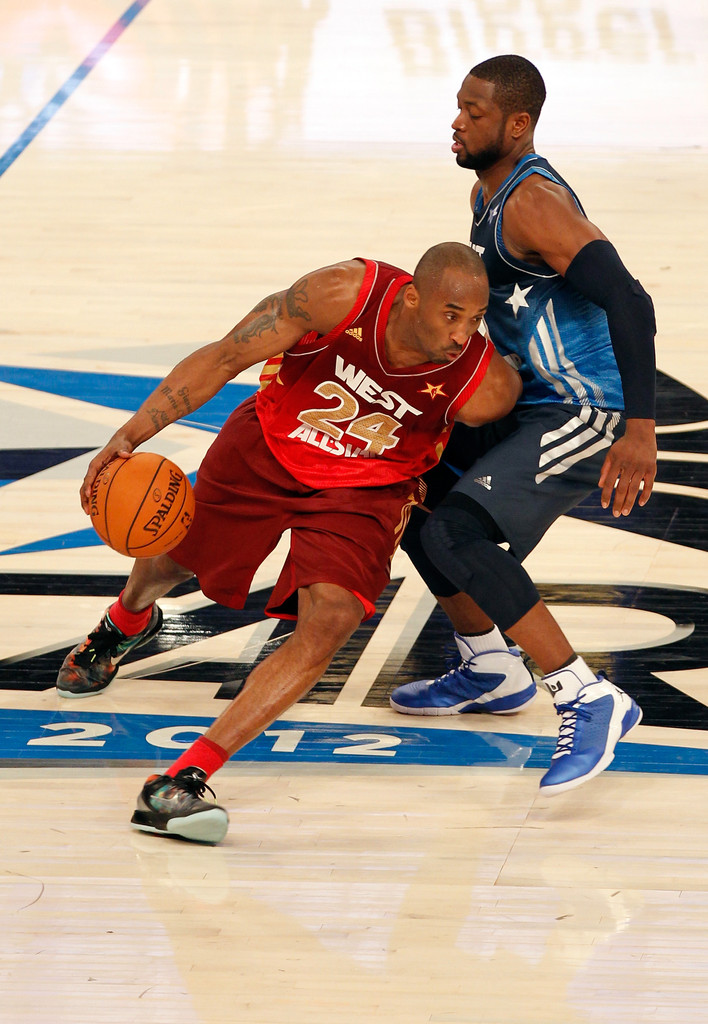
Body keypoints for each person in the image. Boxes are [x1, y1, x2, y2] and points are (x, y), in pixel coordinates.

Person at [56, 242, 521, 843]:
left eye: (475, 320)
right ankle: (126, 620)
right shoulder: (340, 295)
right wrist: (129, 434)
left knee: (330, 620)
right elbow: (226, 356)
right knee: (172, 557)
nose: (463, 334)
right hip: (269, 445)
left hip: (363, 490)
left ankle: (185, 778)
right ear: (411, 297)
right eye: (451, 314)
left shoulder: (486, 387)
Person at [389, 55, 656, 796]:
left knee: (457, 534)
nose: (457, 121)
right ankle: (489, 666)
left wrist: (638, 429)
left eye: (473, 113)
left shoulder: (532, 202)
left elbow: (633, 302)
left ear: (516, 125)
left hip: (583, 407)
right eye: (457, 107)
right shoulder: (489, 190)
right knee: (411, 495)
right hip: (532, 400)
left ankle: (586, 696)